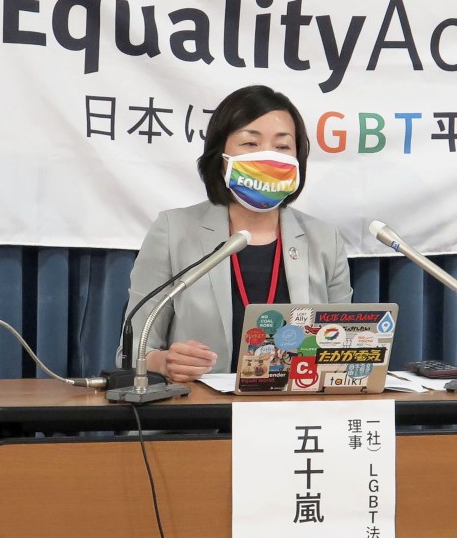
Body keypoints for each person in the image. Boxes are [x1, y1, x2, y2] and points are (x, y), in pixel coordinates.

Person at [126, 84, 351, 382]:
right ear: (221, 157)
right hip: (201, 414)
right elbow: (131, 350)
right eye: (250, 144)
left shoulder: (324, 240)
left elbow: (342, 347)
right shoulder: (173, 231)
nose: (268, 157)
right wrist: (164, 361)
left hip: (294, 412)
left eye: (282, 147)